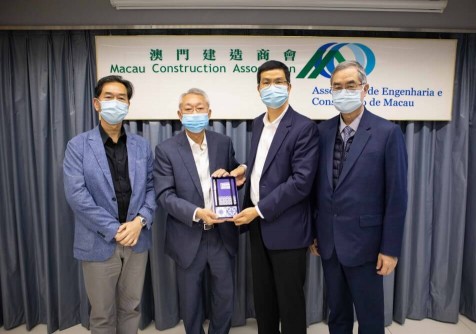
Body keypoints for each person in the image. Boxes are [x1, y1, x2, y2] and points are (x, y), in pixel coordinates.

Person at [310, 60, 408, 334]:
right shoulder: (322, 132)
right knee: (337, 315)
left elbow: (397, 197)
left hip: (366, 245)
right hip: (329, 243)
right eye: (336, 87)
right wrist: (314, 231)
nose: (343, 92)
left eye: (350, 86)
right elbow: (317, 189)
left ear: (365, 89)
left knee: (370, 317)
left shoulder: (388, 133)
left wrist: (390, 249)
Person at [231, 60, 319, 334]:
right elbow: (266, 164)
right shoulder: (258, 123)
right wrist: (246, 169)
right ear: (258, 88)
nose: (272, 87)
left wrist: (258, 210)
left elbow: (301, 182)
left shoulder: (304, 127)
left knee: (290, 303)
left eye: (278, 82)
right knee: (264, 301)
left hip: (288, 229)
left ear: (289, 87)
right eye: (266, 82)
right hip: (259, 229)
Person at [63, 75, 156, 334]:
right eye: (109, 97)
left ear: (128, 104)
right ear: (96, 103)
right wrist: (116, 229)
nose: (115, 102)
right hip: (98, 241)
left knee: (131, 308)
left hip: (137, 240)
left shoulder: (141, 146)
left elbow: (151, 189)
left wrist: (140, 222)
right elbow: (77, 196)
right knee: (103, 315)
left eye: (121, 98)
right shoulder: (78, 146)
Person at [153, 88, 243, 334]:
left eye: (200, 108)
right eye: (189, 109)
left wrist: (239, 172)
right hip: (187, 234)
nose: (195, 113)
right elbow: (164, 195)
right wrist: (197, 212)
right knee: (190, 301)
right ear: (179, 114)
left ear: (209, 112)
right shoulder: (166, 149)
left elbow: (235, 173)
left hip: (221, 235)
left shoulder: (223, 143)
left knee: (224, 297)